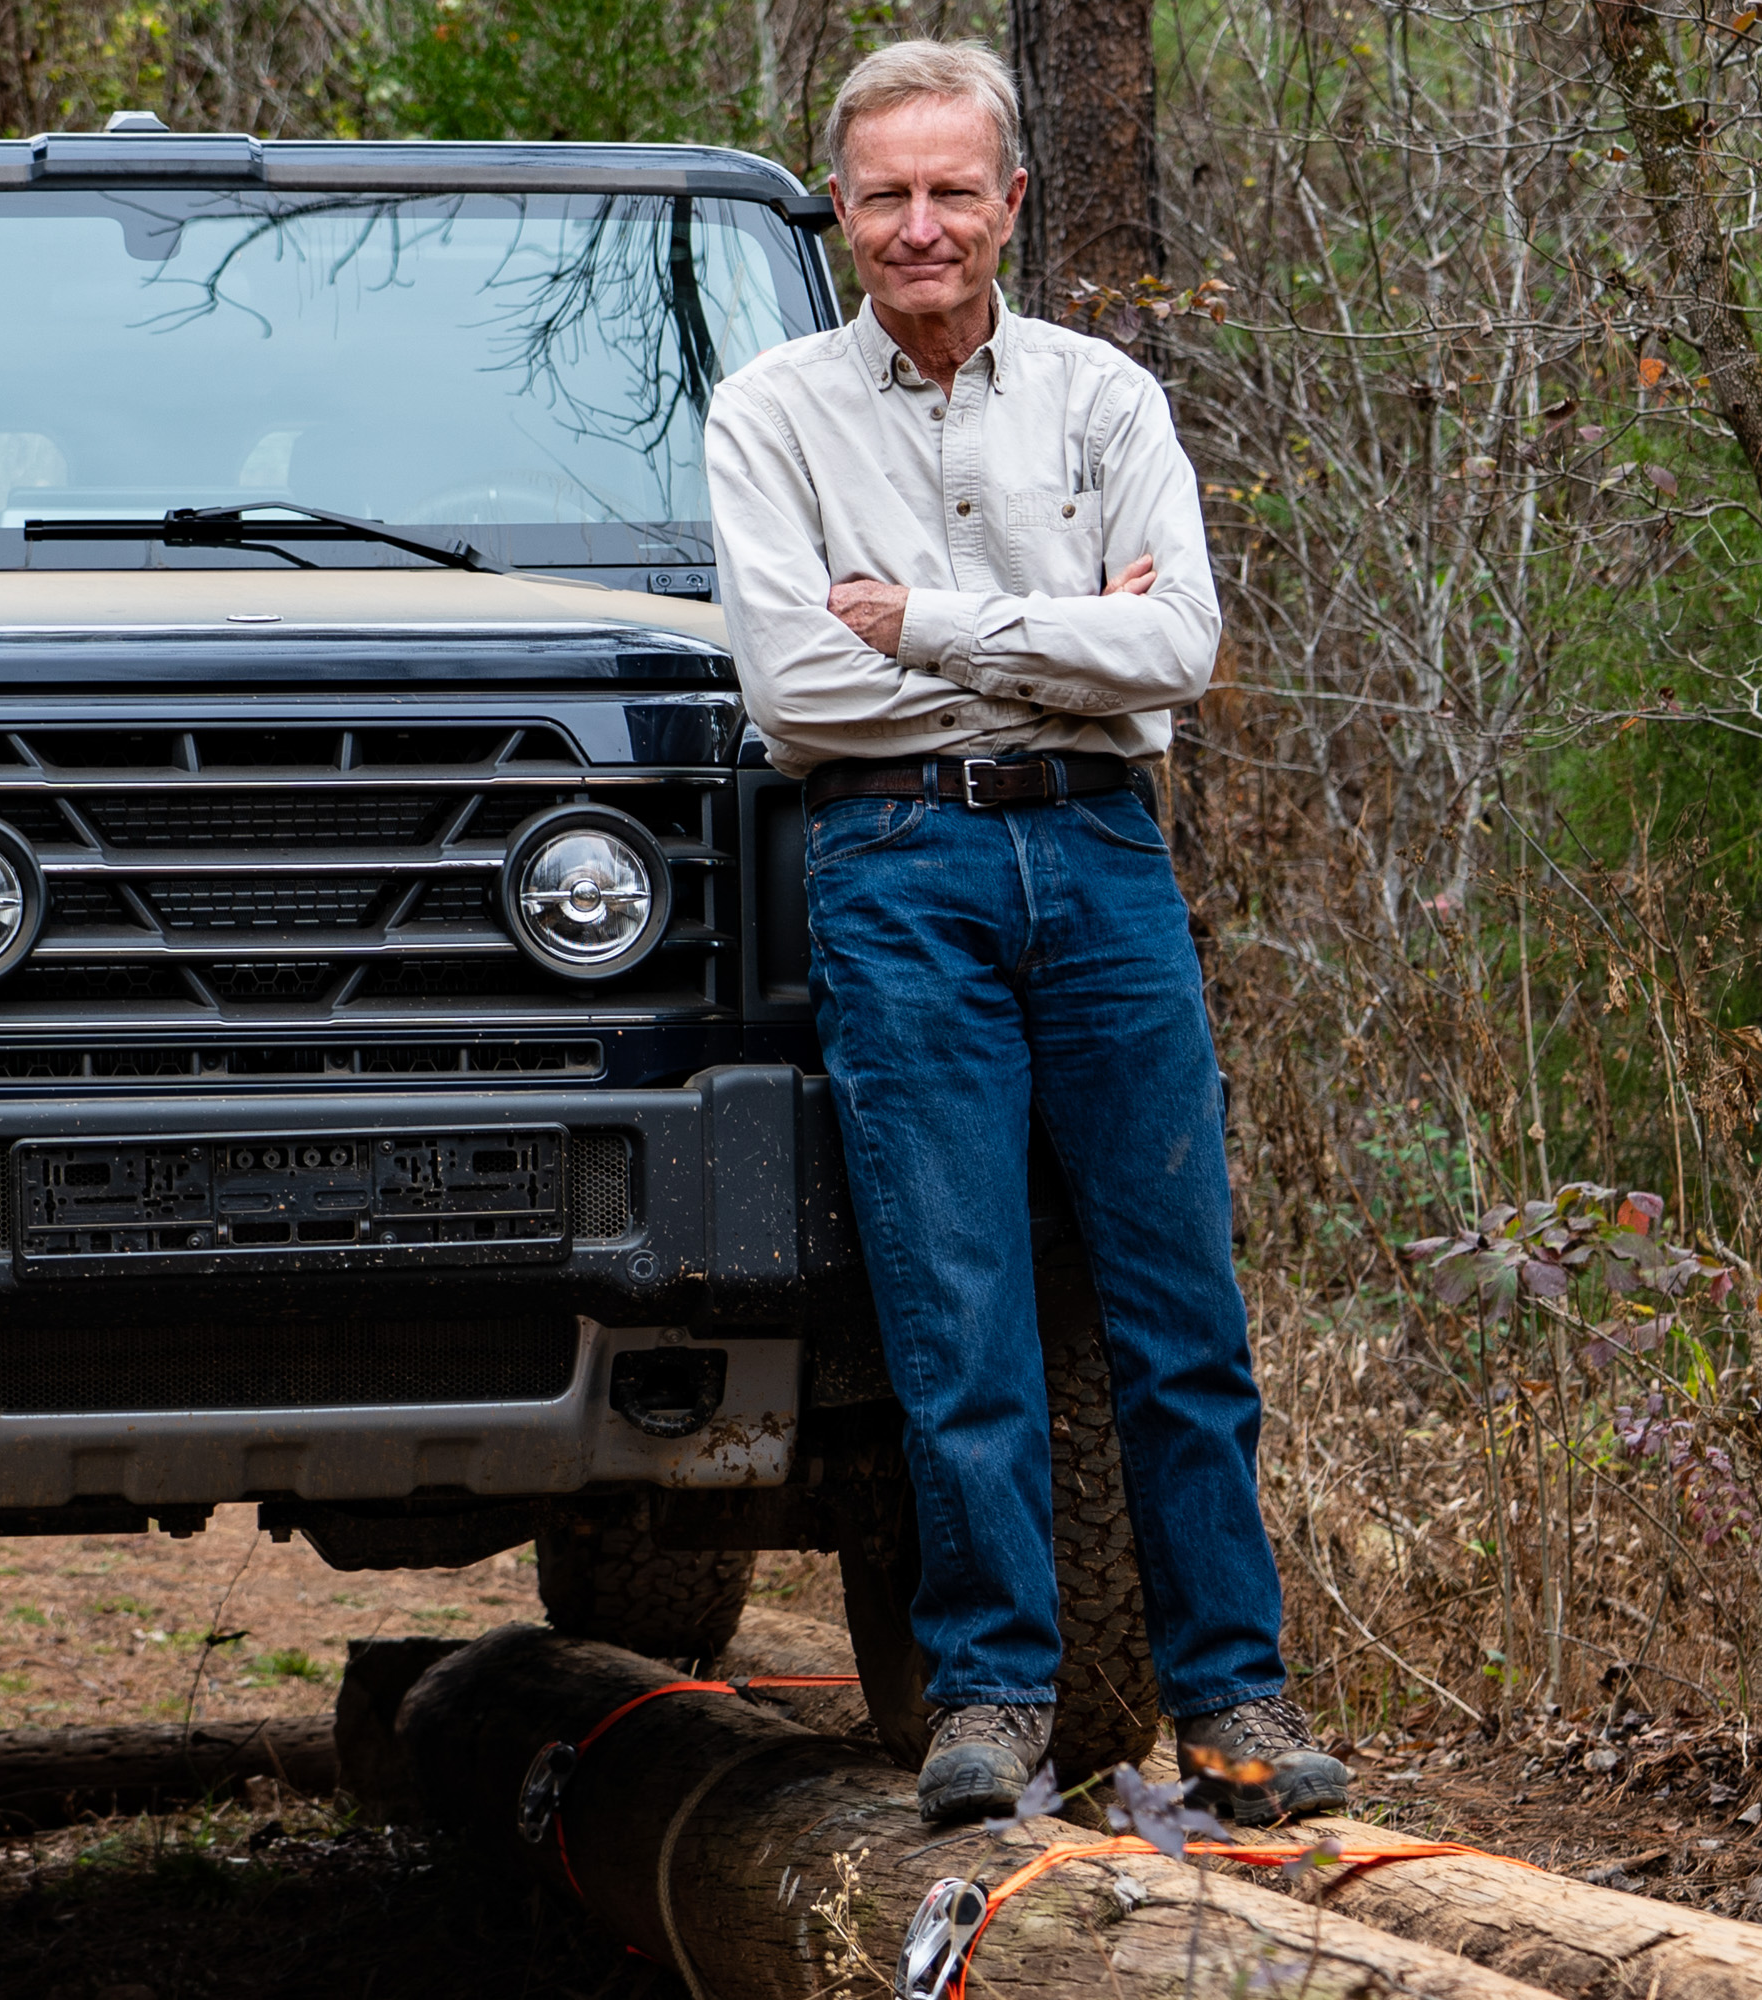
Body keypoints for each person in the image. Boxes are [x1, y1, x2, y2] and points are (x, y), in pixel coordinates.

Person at [705, 36, 1349, 1824]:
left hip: (1101, 860)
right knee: (957, 1306)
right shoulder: (770, 415)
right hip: (894, 867)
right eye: (887, 194)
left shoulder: (1103, 398)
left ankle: (1235, 1697)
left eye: (952, 191)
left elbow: (1180, 652)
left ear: (1008, 201)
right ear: (843, 212)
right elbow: (797, 694)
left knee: (1179, 1302)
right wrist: (1069, 635)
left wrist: (923, 622)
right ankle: (990, 1696)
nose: (921, 225)